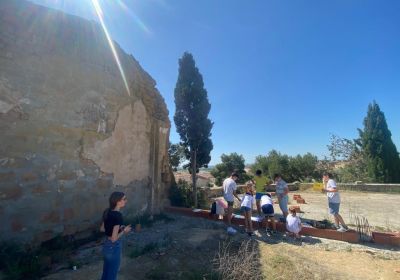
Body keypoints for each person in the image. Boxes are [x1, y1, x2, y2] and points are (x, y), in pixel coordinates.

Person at [100, 192, 131, 280]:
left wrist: (118, 229)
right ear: (118, 202)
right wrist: (124, 231)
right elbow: (114, 239)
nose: (126, 201)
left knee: (106, 272)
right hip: (114, 247)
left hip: (106, 246)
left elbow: (102, 229)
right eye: (124, 199)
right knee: (112, 275)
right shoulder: (118, 216)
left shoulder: (107, 211)